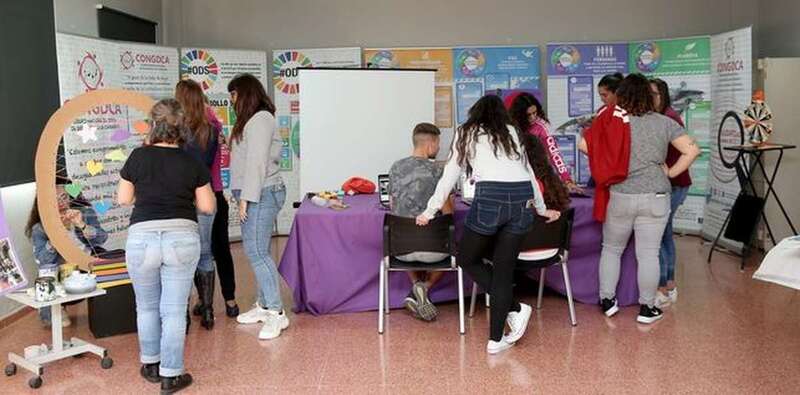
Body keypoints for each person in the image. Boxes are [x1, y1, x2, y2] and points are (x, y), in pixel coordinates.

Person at [416, 95, 560, 354]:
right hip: (520, 198)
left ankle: (515, 309)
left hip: (491, 197)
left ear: (476, 113)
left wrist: (430, 210)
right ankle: (496, 338)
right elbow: (528, 173)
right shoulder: (513, 132)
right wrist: (541, 209)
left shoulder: (467, 131)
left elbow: (450, 173)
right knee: (503, 269)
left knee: (467, 258)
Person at [579, 74, 699, 324]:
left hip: (621, 194)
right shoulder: (664, 122)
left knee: (611, 250)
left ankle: (608, 301)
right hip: (655, 195)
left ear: (621, 95)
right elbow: (692, 150)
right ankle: (647, 308)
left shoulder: (612, 122)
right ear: (648, 95)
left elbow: (584, 145)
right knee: (648, 254)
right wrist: (670, 172)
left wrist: (606, 160)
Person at [118, 98, 216, 393]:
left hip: (142, 238)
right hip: (182, 239)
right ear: (182, 127)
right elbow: (208, 207)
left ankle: (150, 364)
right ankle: (171, 375)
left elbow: (123, 199)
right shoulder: (192, 162)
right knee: (173, 310)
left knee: (146, 306)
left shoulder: (137, 156)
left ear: (152, 124)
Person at [226, 73, 288, 340]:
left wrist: (245, 198)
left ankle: (277, 312)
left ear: (245, 93)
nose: (231, 100)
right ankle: (264, 305)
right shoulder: (252, 120)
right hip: (255, 192)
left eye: (234, 94)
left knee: (255, 252)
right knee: (259, 251)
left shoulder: (261, 119)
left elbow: (257, 163)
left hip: (261, 193)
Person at [388, 122, 454, 322]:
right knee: (454, 240)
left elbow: (393, 206)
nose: (439, 148)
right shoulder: (439, 172)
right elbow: (449, 214)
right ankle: (424, 288)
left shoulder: (396, 168)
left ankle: (415, 287)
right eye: (438, 144)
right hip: (435, 251)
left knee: (405, 231)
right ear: (431, 143)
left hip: (401, 251)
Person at [25, 185, 108, 327]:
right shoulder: (40, 228)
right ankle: (52, 310)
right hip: (63, 272)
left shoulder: (84, 212)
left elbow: (102, 238)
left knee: (111, 264)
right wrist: (55, 236)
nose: (61, 202)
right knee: (47, 274)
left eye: (64, 197)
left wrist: (81, 225)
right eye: (55, 199)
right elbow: (42, 260)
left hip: (87, 264)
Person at [176, 80, 219, 330]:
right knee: (204, 252)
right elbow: (207, 164)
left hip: (180, 198)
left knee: (181, 256)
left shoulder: (175, 132)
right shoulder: (210, 129)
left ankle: (182, 313)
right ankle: (208, 309)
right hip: (205, 195)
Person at [650, 78, 692, 308]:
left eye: (654, 94)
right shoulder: (661, 116)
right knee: (665, 234)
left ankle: (663, 287)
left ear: (663, 95)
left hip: (674, 185)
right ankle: (669, 285)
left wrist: (669, 171)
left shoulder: (668, 118)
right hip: (670, 184)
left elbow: (686, 150)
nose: (650, 98)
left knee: (660, 235)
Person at [507, 92, 582, 193]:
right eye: (528, 115)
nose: (533, 117)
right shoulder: (510, 125)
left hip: (537, 171)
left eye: (535, 113)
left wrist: (567, 180)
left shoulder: (541, 127)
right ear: (520, 114)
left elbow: (554, 153)